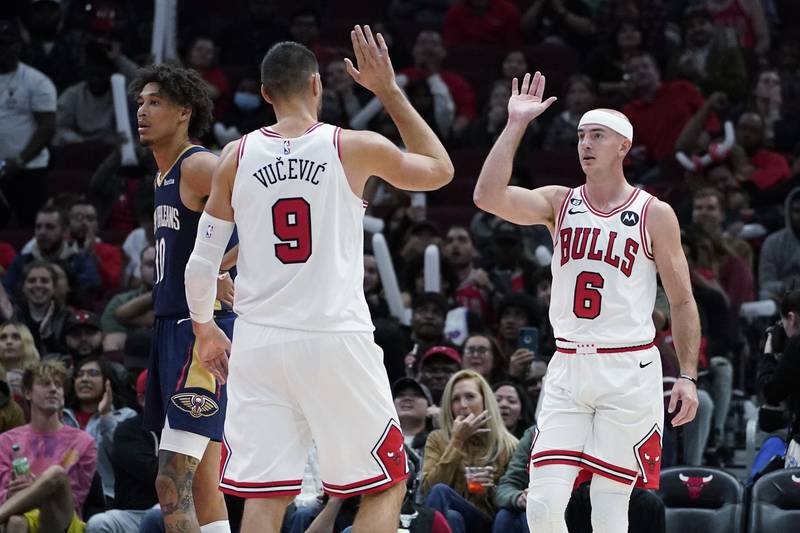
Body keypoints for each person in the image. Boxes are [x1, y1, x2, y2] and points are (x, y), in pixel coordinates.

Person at [183, 27, 453, 533]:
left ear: (265, 93)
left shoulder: (233, 158)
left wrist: (204, 330)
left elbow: (201, 265)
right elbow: (440, 170)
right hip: (333, 337)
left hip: (259, 344)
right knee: (386, 482)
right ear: (316, 85)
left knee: (266, 497)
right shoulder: (352, 145)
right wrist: (388, 90)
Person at [473, 71, 700, 533]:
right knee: (541, 503)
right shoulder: (559, 202)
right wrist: (516, 123)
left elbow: (682, 299)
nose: (585, 144)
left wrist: (689, 376)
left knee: (610, 507)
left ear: (623, 146)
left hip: (628, 369)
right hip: (569, 366)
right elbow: (487, 196)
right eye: (580, 135)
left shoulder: (653, 213)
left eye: (597, 135)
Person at [130, 62, 237, 533]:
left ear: (183, 113)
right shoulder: (162, 174)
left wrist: (219, 269)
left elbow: (263, 223)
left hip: (200, 330)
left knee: (171, 480)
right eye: (140, 102)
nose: (143, 110)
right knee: (202, 485)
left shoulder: (198, 165)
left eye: (155, 102)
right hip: (171, 327)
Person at [0, 360, 96, 533]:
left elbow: (74, 498)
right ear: (28, 393)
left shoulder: (83, 441)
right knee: (16, 522)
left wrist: (33, 488)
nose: (53, 389)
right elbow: (2, 492)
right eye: (45, 384)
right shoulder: (6, 441)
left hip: (63, 519)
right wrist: (9, 495)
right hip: (19, 515)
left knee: (57, 474)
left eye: (58, 385)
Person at [422, 369, 518, 533]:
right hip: (453, 520)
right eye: (455, 400)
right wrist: (456, 441)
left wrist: (491, 490)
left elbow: (516, 498)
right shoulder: (437, 439)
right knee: (448, 509)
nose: (463, 405)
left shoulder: (509, 445)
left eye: (470, 397)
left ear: (485, 401)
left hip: (490, 522)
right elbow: (428, 490)